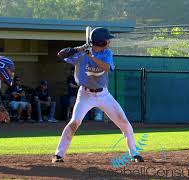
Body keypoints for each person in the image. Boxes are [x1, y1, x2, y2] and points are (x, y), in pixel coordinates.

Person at [52, 27, 144, 163]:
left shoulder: (107, 53)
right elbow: (61, 54)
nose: (109, 42)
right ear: (100, 42)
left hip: (103, 95)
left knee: (124, 122)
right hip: (85, 94)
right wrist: (79, 48)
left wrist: (92, 56)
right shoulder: (82, 53)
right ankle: (59, 155)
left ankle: (134, 153)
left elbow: (107, 67)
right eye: (107, 40)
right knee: (75, 122)